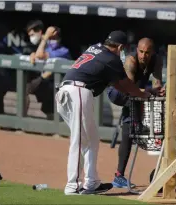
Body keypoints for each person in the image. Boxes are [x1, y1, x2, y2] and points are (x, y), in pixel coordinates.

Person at [55, 31, 151, 195]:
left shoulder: (95, 48)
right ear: (120, 47)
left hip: (68, 91)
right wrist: (143, 94)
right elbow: (125, 84)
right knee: (79, 141)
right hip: (77, 91)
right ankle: (73, 185)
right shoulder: (111, 58)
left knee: (91, 140)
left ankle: (91, 183)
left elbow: (118, 85)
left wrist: (138, 92)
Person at [107, 37, 165, 188]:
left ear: (152, 52)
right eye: (141, 51)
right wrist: (148, 92)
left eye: (147, 52)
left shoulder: (157, 60)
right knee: (130, 125)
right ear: (137, 50)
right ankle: (119, 176)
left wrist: (158, 90)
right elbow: (129, 90)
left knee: (131, 126)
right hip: (118, 92)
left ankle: (119, 175)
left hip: (136, 91)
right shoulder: (131, 61)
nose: (143, 56)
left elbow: (157, 83)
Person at [26, 23, 71, 119]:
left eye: (54, 38)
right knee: (25, 89)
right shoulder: (47, 48)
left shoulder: (64, 51)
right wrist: (33, 54)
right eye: (51, 39)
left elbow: (39, 55)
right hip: (46, 82)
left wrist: (45, 37)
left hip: (60, 84)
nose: (52, 41)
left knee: (52, 101)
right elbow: (37, 55)